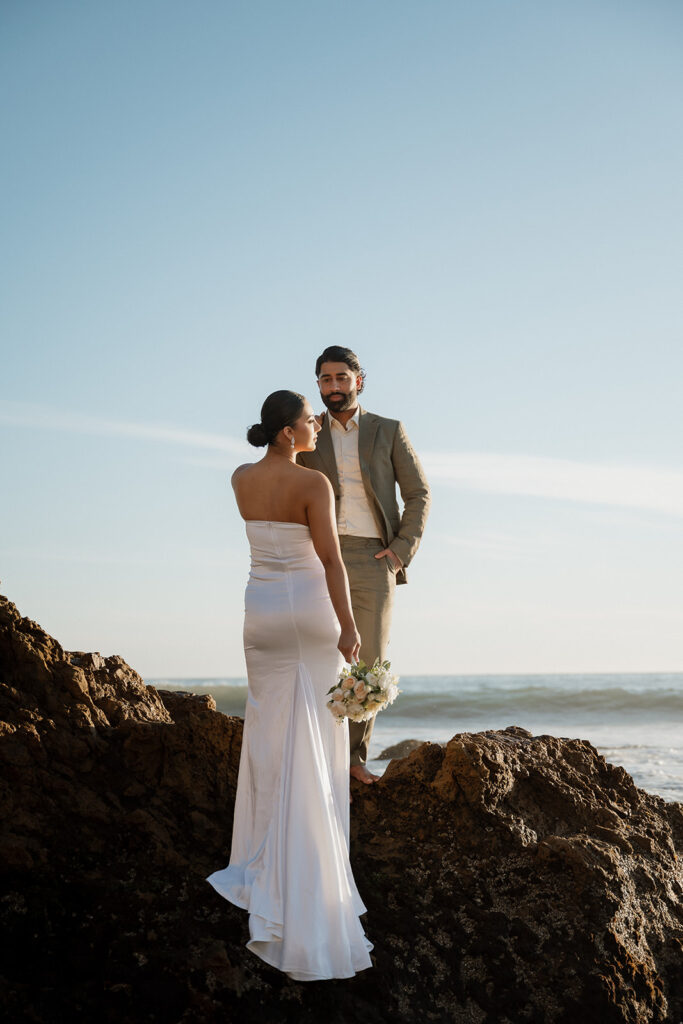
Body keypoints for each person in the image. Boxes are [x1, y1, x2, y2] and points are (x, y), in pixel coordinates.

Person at [206, 389, 373, 981]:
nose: (317, 427)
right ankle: (312, 872)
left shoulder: (239, 478)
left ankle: (262, 859)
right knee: (318, 734)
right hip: (305, 611)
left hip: (260, 613)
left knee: (272, 730)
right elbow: (330, 560)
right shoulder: (315, 485)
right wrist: (350, 630)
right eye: (309, 421)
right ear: (285, 431)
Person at [298, 347, 430, 783]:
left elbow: (418, 493)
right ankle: (314, 751)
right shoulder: (308, 434)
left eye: (341, 378)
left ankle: (354, 760)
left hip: (375, 557)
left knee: (368, 661)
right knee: (316, 653)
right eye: (325, 380)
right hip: (318, 557)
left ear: (359, 380)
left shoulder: (388, 430)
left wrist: (399, 550)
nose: (333, 387)